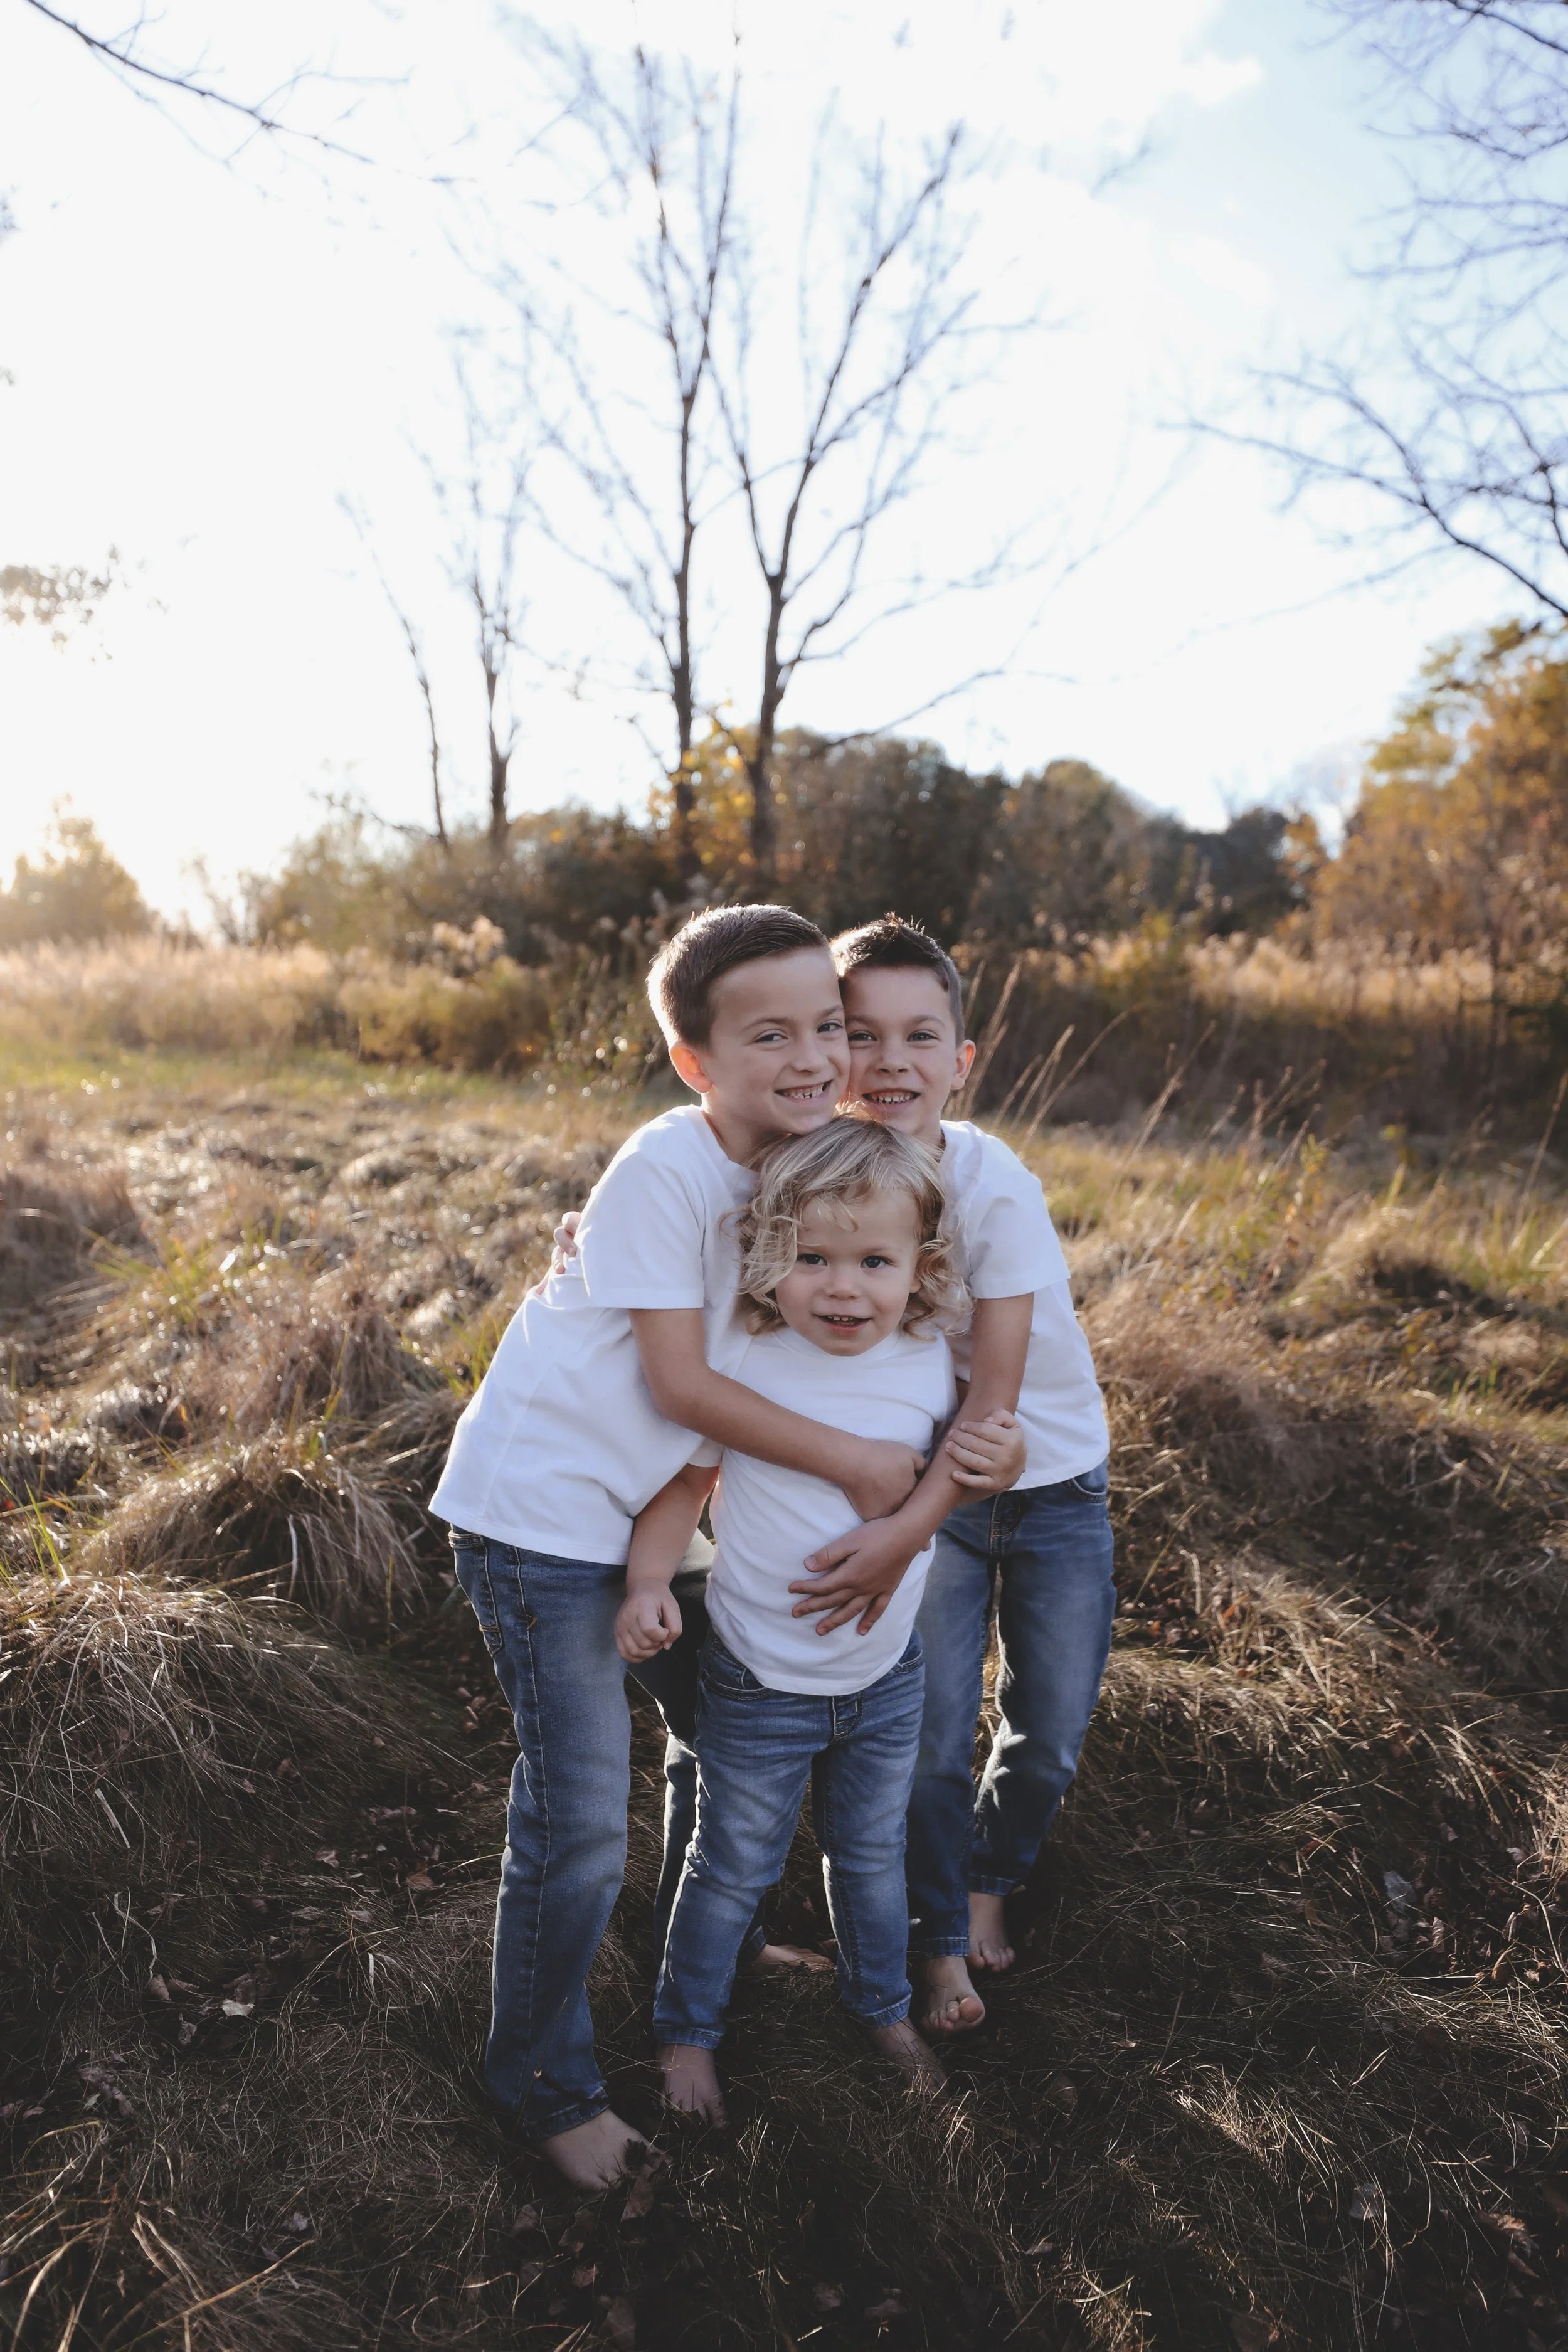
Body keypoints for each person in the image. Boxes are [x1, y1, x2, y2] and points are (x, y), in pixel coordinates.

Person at [430, 904, 1016, 2187]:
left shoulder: (795, 1170)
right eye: (770, 1035)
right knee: (582, 1814)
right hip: (544, 1521)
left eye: (826, 1025)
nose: (812, 1055)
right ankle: (543, 2088)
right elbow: (686, 1389)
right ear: (696, 1063)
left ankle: (722, 1936)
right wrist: (864, 1466)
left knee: (722, 1732)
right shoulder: (663, 1169)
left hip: (660, 1513)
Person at [616, 1118, 1017, 2123]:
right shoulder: (749, 1357)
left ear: (920, 1266)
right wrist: (650, 1582)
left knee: (871, 1855)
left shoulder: (930, 1357)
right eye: (812, 1258)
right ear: (766, 1256)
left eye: (874, 1260)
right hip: (761, 1682)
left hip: (886, 1677)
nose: (843, 1288)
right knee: (732, 1867)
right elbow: (685, 1479)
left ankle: (880, 2003)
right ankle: (687, 2030)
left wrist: (1000, 1460)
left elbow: (974, 1464)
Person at [832, 916, 1115, 2037]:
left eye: (920, 1036)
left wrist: (902, 1529)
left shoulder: (993, 1185)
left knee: (1049, 1720)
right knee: (932, 1731)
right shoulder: (816, 1180)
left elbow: (995, 1405)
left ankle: (997, 1870)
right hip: (927, 1496)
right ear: (824, 1048)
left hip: (1046, 1484)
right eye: (862, 1035)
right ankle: (941, 1941)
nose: (891, 1062)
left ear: (963, 1058)